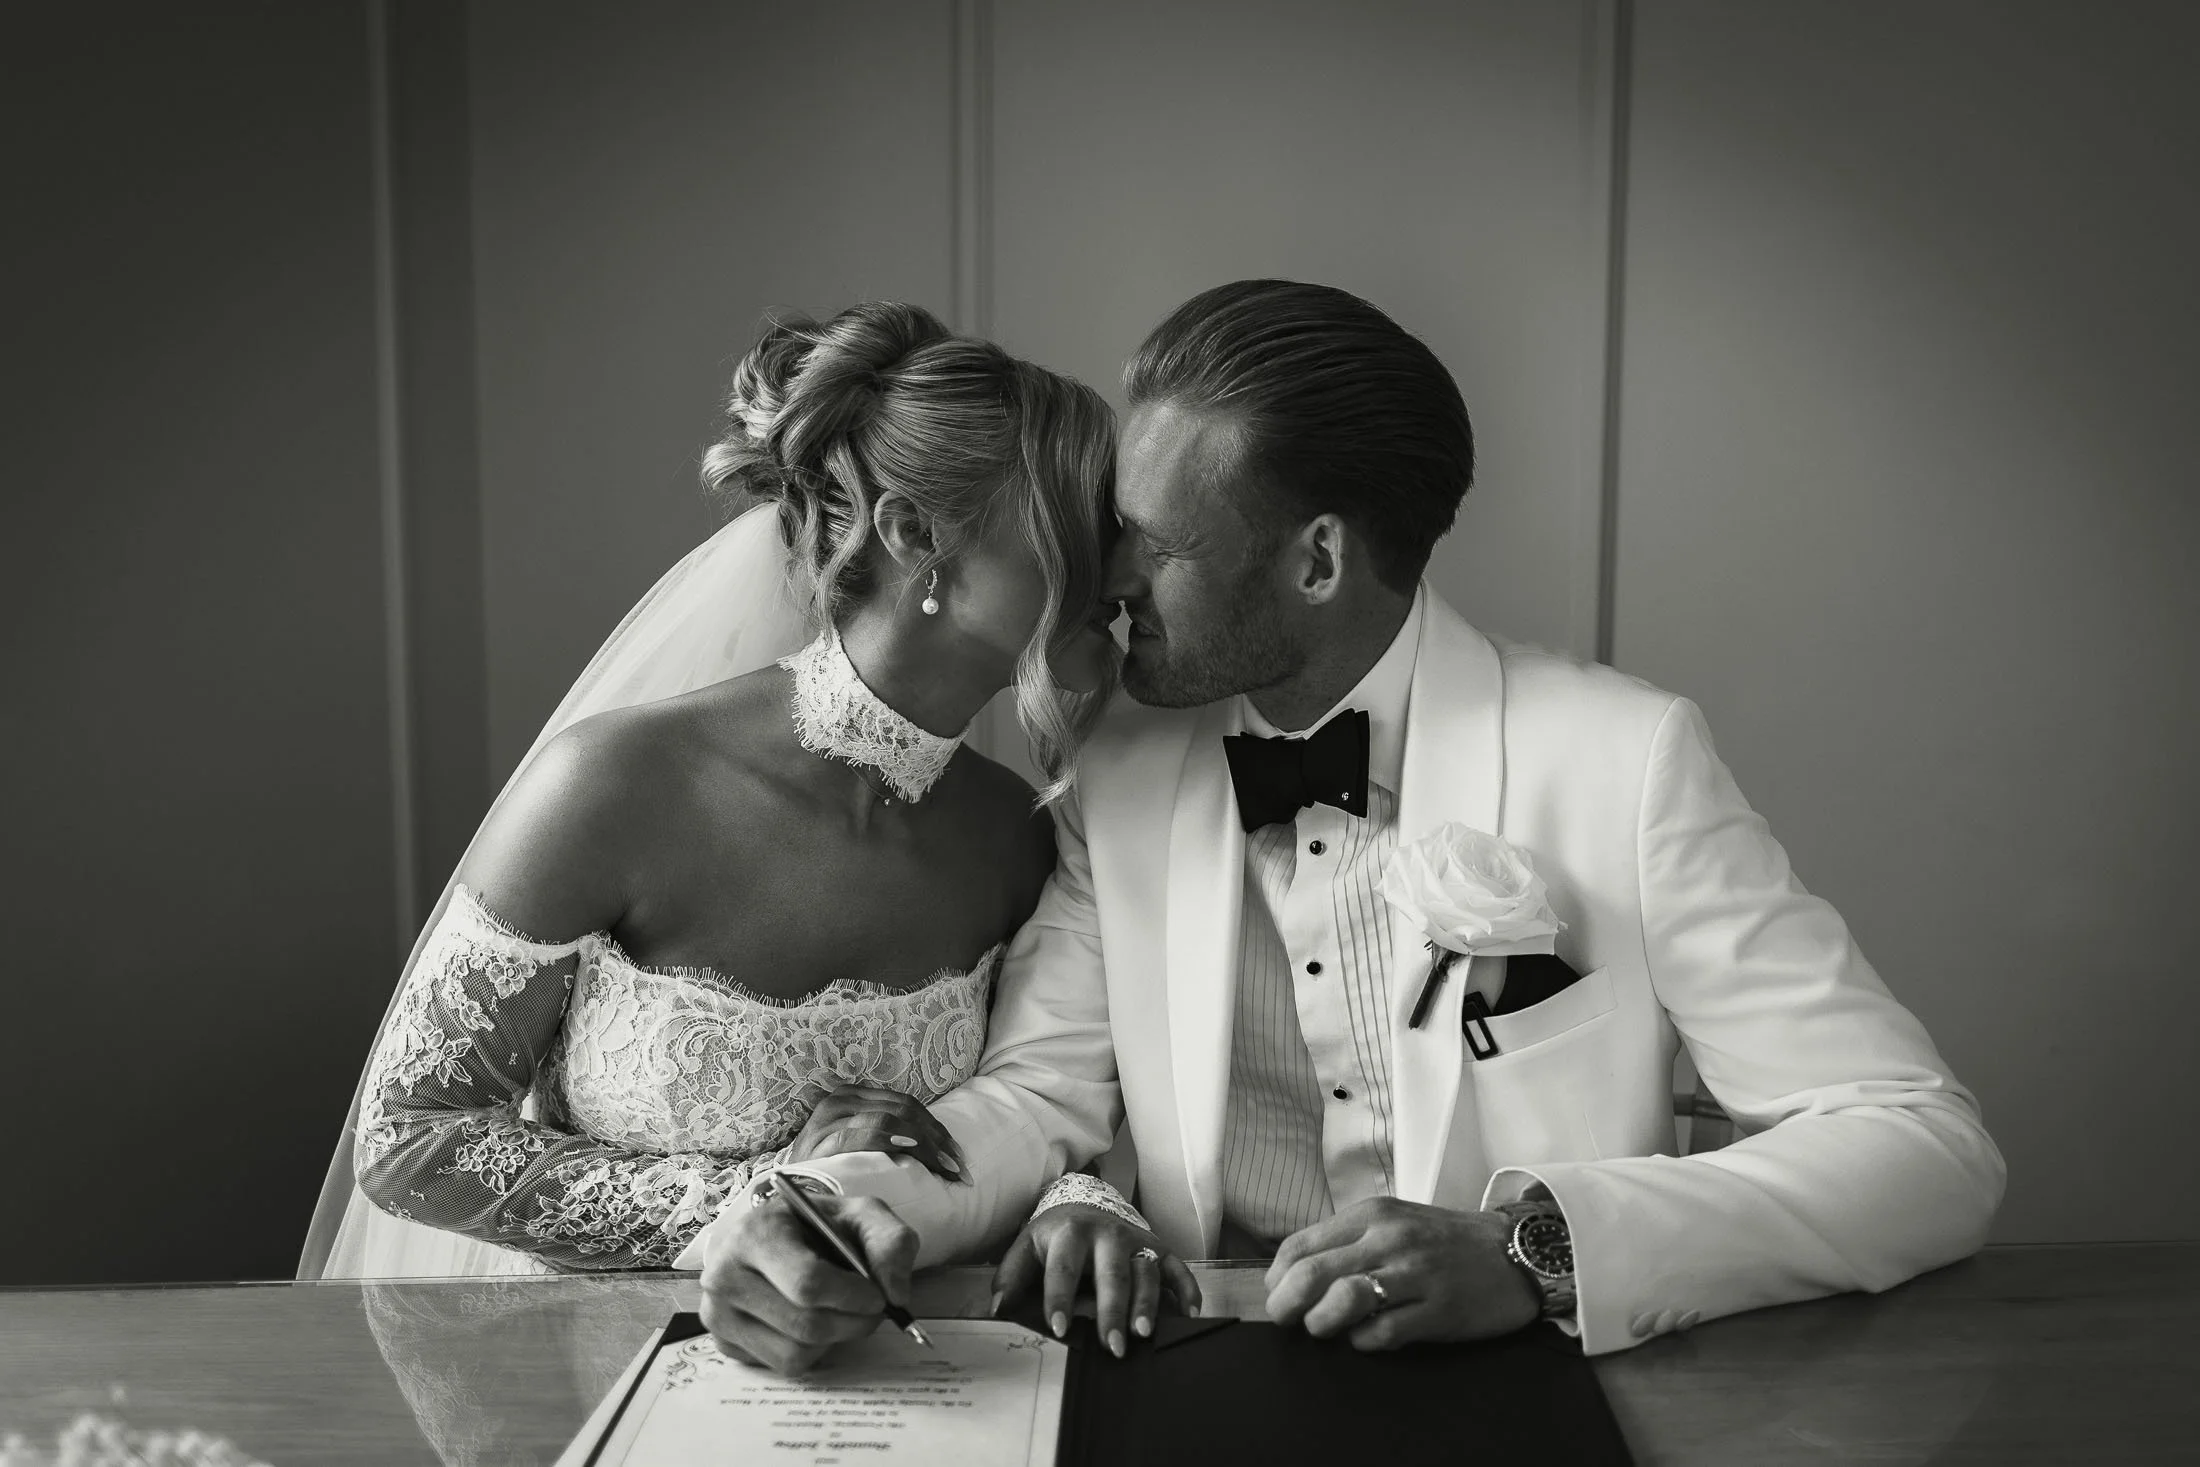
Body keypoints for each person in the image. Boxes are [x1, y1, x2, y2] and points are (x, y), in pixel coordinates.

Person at [696, 279, 2006, 1367]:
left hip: (1531, 1395)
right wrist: (827, 1210)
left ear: (1316, 561)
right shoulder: (1123, 763)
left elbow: (1924, 1143)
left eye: (1156, 542)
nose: (1108, 578)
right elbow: (1044, 1091)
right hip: (1193, 1374)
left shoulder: (1622, 758)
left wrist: (1536, 1246)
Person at [297, 300, 1122, 1279]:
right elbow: (406, 1136)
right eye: (1080, 514)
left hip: (896, 1375)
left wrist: (1081, 1199)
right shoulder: (614, 785)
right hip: (586, 1374)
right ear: (912, 535)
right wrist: (771, 1209)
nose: (1121, 560)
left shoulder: (1015, 833)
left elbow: (1040, 1098)